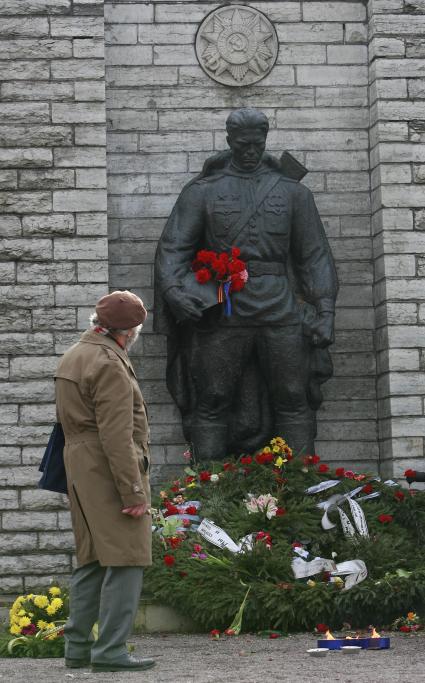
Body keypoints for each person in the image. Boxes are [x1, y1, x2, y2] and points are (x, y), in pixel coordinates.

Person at [154, 108, 338, 459]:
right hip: (224, 310)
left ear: (265, 140)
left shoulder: (294, 194)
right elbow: (173, 248)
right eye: (243, 144)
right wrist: (174, 292)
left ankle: (300, 489)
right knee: (212, 399)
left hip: (280, 308)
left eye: (257, 143)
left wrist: (325, 310)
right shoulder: (203, 192)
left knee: (293, 397)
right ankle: (205, 493)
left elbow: (315, 257)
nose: (251, 150)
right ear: (230, 142)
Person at [55, 290, 156, 673]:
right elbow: (116, 435)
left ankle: (78, 648)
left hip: (80, 466)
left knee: (93, 559)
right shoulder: (109, 363)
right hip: (107, 467)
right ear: (128, 331)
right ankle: (110, 650)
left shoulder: (75, 355)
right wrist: (132, 492)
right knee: (128, 558)